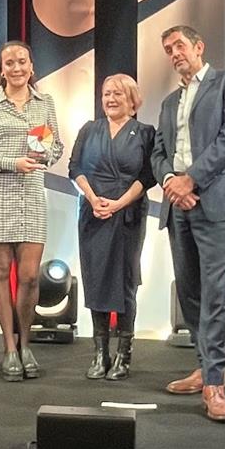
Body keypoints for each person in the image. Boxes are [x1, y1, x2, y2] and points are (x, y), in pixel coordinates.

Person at [151, 25, 225, 422]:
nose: (174, 52)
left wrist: (190, 179)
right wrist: (170, 182)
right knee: (191, 292)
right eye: (167, 49)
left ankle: (215, 384)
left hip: (214, 198)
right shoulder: (167, 103)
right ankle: (205, 365)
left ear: (199, 46)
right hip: (178, 203)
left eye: (179, 45)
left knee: (215, 293)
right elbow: (159, 152)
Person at [0, 41, 63, 382]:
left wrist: (46, 155)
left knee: (30, 277)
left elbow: (55, 146)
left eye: (22, 61)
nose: (17, 67)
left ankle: (26, 342)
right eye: (10, 62)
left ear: (31, 67)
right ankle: (9, 347)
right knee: (1, 272)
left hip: (31, 197)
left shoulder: (44, 103)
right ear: (2, 69)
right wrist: (13, 163)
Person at [68, 74, 156, 381]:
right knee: (96, 279)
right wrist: (93, 199)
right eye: (107, 93)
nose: (111, 99)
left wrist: (119, 204)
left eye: (118, 93)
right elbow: (74, 168)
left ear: (133, 100)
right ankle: (99, 354)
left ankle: (123, 355)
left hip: (128, 213)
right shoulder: (89, 129)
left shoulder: (146, 133)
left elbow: (148, 176)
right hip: (93, 212)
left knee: (125, 280)